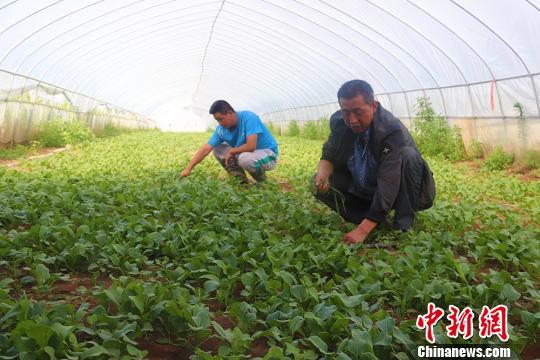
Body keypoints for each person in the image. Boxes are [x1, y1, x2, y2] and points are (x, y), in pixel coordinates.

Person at [313, 80, 435, 245]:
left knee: (408, 156)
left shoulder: (391, 130)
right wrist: (322, 175)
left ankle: (402, 225)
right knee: (317, 180)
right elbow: (328, 154)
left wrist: (362, 232)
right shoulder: (340, 123)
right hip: (365, 186)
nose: (352, 120)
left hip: (399, 186)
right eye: (346, 112)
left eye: (358, 112)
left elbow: (389, 181)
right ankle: (370, 218)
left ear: (374, 106)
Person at [180, 100, 278, 183]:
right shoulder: (221, 130)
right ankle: (241, 181)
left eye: (221, 119)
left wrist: (232, 151)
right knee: (218, 149)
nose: (220, 123)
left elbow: (251, 146)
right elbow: (206, 148)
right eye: (217, 120)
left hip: (268, 154)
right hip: (246, 154)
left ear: (230, 113)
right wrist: (189, 168)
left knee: (245, 158)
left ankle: (262, 181)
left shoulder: (248, 117)